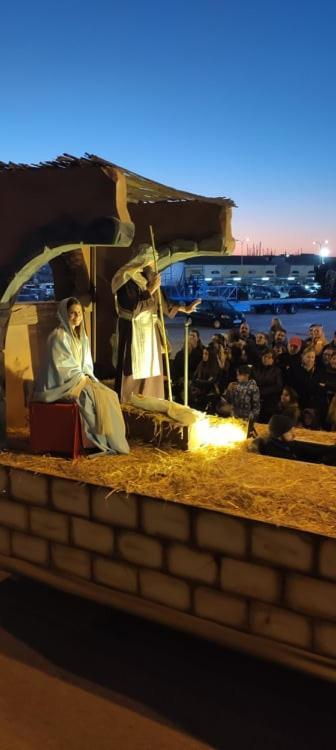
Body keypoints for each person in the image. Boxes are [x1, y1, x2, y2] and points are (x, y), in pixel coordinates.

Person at [34, 298, 130, 455]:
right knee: (88, 398)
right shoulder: (58, 337)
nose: (76, 316)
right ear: (64, 314)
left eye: (78, 313)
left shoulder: (81, 337)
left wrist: (88, 377)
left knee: (109, 395)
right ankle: (96, 443)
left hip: (79, 379)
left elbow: (86, 364)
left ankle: (113, 442)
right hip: (60, 385)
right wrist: (82, 379)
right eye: (72, 313)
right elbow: (63, 368)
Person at [112, 245, 200, 402]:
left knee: (151, 370)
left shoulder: (148, 278)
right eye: (153, 261)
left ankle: (151, 399)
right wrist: (151, 289)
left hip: (149, 333)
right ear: (143, 260)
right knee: (134, 369)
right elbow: (133, 307)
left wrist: (184, 308)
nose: (154, 265)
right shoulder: (126, 278)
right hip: (133, 331)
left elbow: (162, 305)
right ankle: (130, 400)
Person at [254, 349, 282, 423]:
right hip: (257, 400)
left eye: (269, 357)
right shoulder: (256, 369)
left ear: (273, 359)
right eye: (265, 356)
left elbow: (278, 386)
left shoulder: (277, 370)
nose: (266, 359)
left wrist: (263, 391)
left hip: (270, 402)